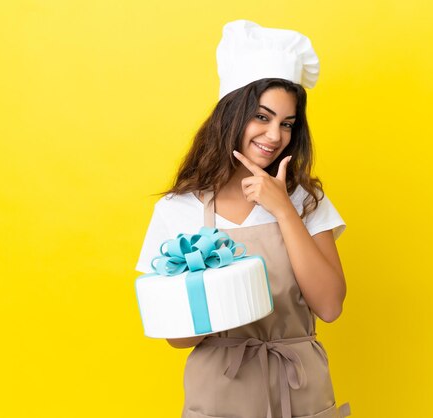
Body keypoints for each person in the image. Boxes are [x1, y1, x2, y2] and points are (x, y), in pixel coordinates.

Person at [136, 20, 350, 418]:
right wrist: (223, 293)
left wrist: (283, 209)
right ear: (230, 115)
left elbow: (330, 305)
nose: (275, 136)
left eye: (287, 124)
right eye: (262, 117)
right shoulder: (178, 209)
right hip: (221, 390)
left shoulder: (305, 200)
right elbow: (177, 338)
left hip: (298, 385)